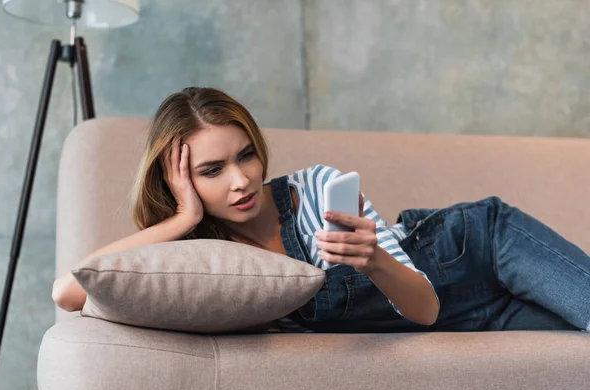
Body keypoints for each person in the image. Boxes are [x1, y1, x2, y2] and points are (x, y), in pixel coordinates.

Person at [52, 87, 590, 334]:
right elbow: (69, 292)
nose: (242, 180)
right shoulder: (200, 256)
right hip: (475, 321)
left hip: (485, 249)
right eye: (211, 170)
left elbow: (422, 305)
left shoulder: (316, 190)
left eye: (246, 155)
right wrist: (181, 221)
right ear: (178, 182)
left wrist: (375, 259)